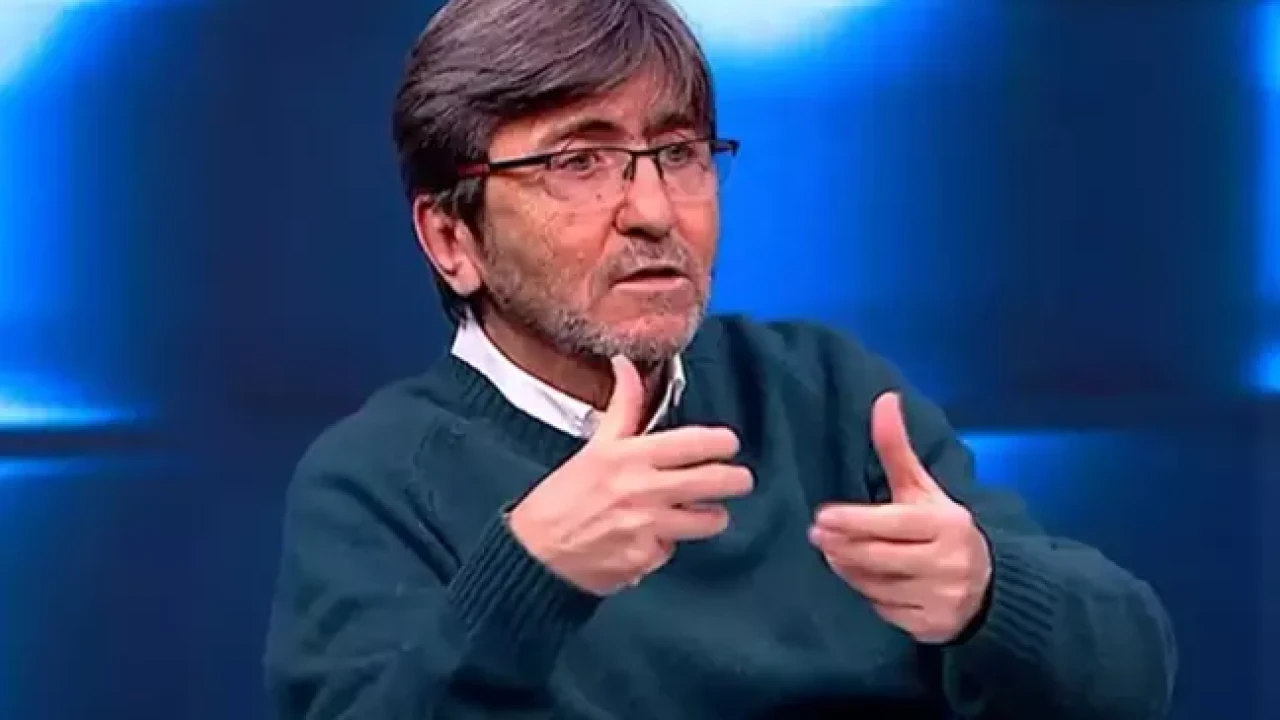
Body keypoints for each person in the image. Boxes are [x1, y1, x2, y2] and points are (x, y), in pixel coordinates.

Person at [262, 0, 1178, 717]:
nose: (653, 210)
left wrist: (987, 594)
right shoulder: (375, 481)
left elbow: (1133, 679)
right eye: (580, 163)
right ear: (450, 238)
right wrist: (528, 576)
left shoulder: (826, 393)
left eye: (680, 153)